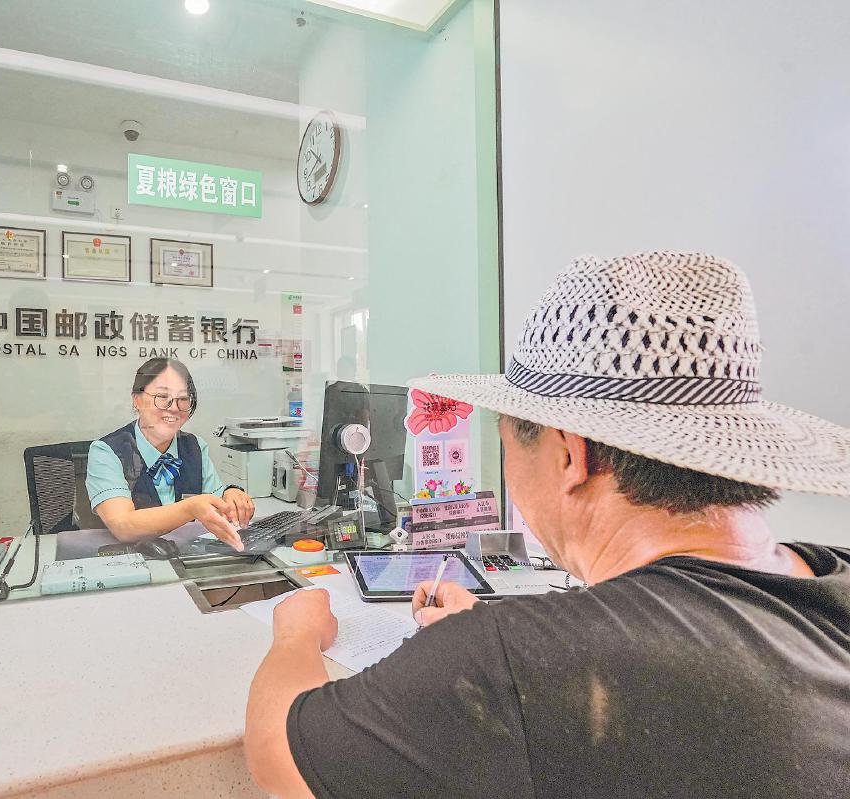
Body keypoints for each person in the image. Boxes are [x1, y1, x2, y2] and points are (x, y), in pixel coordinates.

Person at [244, 252, 850, 798]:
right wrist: (503, 641)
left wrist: (296, 634)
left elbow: (277, 756)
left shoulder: (514, 661)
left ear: (566, 456)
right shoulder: (831, 582)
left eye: (508, 445)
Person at [86, 357, 254, 550]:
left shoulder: (195, 446)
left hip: (187, 556)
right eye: (162, 397)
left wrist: (230, 495)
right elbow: (123, 526)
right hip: (129, 560)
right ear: (137, 400)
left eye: (182, 399)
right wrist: (191, 508)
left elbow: (215, 507)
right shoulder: (106, 451)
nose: (174, 407)